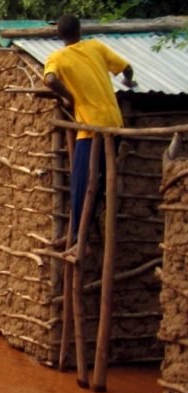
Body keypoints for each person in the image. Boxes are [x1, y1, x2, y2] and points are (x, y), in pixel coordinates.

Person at [43, 14, 136, 254]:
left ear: (59, 35)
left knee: (81, 185)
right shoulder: (96, 46)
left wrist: (68, 97)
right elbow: (127, 68)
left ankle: (77, 239)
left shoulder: (58, 57)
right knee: (98, 183)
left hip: (91, 130)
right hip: (114, 125)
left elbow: (50, 79)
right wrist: (129, 82)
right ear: (80, 29)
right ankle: (80, 236)